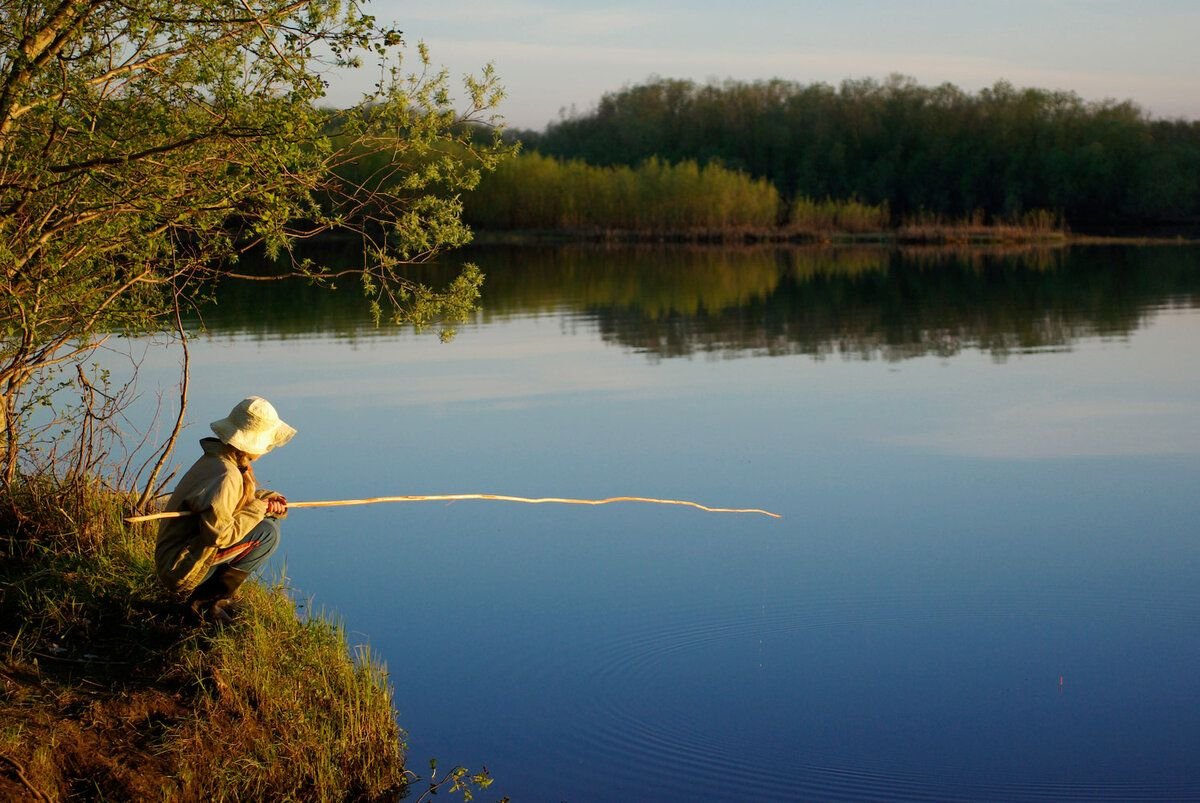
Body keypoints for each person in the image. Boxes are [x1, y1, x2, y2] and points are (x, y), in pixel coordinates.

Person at [155, 396, 295, 622]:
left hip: (178, 555)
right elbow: (218, 536)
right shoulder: (226, 475)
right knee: (268, 534)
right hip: (178, 568)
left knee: (269, 522)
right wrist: (259, 507)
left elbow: (229, 505)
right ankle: (203, 604)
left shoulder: (221, 460)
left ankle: (212, 600)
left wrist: (265, 502)